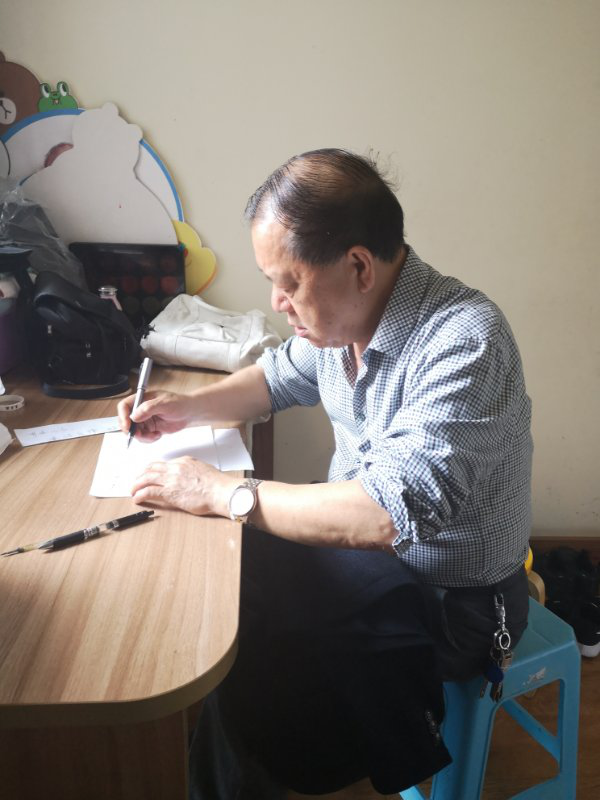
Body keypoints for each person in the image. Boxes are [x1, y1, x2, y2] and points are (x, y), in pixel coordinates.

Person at [117, 149, 532, 797]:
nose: (277, 302)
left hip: (452, 601)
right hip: (363, 566)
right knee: (221, 599)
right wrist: (183, 409)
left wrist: (224, 492)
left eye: (288, 282)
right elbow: (271, 381)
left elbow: (384, 514)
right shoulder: (342, 324)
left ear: (358, 266)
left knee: (252, 661)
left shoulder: (464, 339)